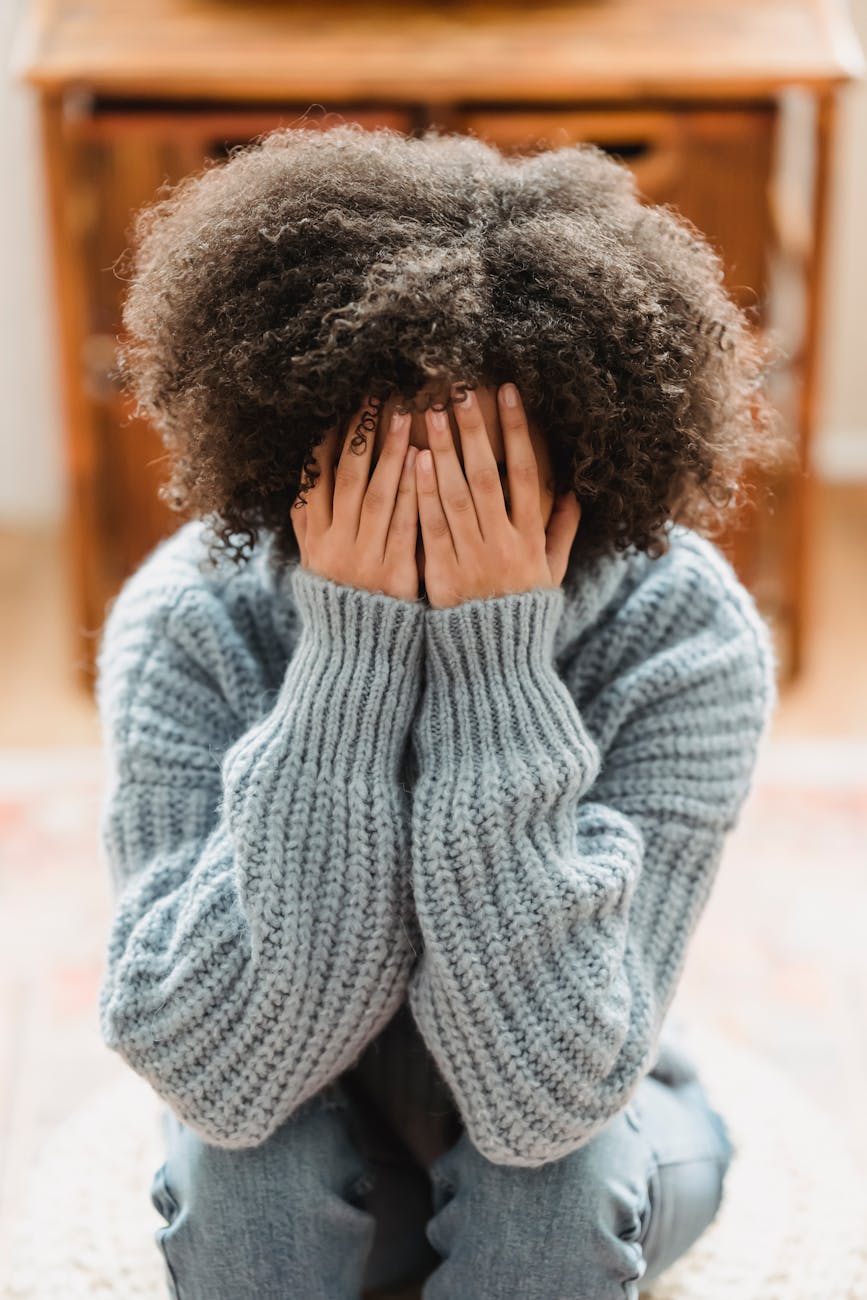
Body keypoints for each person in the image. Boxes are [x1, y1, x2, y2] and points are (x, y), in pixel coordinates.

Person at [97, 122, 789, 1298]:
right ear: (291, 442)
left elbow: (550, 1098)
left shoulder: (682, 634)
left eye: (487, 465)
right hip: (321, 1124)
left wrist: (494, 665)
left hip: (596, 1111)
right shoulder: (192, 618)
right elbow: (211, 1072)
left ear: (585, 454)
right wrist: (346, 667)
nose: (430, 494)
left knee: (555, 1188)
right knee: (244, 1174)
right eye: (378, 459)